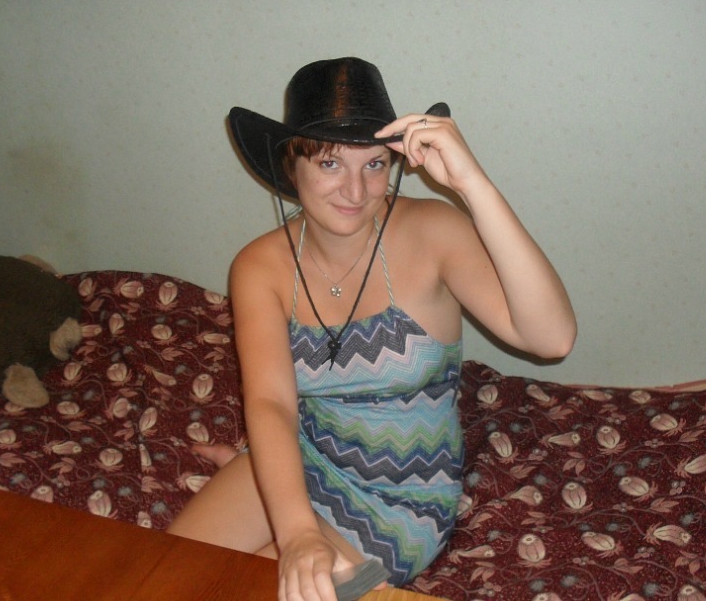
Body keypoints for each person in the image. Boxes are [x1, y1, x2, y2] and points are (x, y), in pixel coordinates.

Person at [167, 57, 576, 601]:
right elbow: (271, 404)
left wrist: (471, 183)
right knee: (164, 576)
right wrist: (297, 531)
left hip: (403, 503)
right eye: (330, 163)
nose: (356, 191)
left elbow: (552, 338)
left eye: (376, 164)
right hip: (303, 455)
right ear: (292, 166)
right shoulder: (258, 266)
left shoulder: (434, 232)